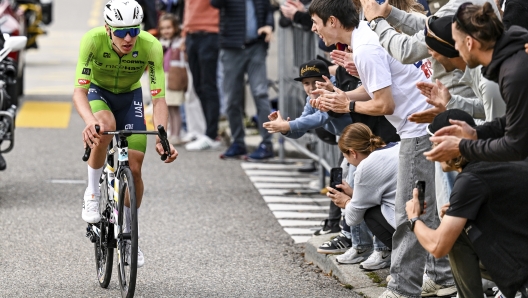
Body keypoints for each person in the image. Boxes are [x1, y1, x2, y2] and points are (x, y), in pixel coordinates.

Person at [308, 0, 456, 297]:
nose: (313, 28)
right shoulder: (365, 34)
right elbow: (379, 87)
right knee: (424, 210)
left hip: (418, 131)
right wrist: (345, 94)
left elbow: (384, 104)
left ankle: (403, 288)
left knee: (409, 214)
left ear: (333, 21)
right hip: (422, 126)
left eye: (316, 22)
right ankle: (441, 276)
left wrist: (346, 103)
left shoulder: (364, 48)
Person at [73, 0, 178, 267]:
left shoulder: (150, 45)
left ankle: (129, 237)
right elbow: (79, 92)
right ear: (108, 29)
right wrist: (89, 121)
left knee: (135, 167)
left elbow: (159, 98)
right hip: (100, 94)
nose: (128, 38)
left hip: (130, 97)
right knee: (104, 124)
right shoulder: (93, 40)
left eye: (133, 30)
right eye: (120, 32)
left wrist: (164, 136)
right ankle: (92, 194)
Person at [407, 109, 528, 298]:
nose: (433, 153)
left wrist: (414, 219)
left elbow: (438, 247)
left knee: (453, 236)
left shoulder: (471, 179)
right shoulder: (498, 156)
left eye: (435, 145)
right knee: (460, 227)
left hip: (522, 273)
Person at [425, 2, 528, 163]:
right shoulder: (511, 61)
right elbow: (513, 119)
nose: (456, 49)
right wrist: (476, 134)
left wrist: (462, 147)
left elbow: (516, 146)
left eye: (456, 42)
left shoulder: (513, 74)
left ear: (469, 42)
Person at [210, 0, 276, 160]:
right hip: (231, 48)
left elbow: (268, 9)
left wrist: (269, 25)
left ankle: (267, 144)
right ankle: (238, 142)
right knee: (232, 98)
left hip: (256, 46)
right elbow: (215, 3)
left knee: (260, 93)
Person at [328, 123, 399, 270]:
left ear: (353, 153)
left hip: (407, 228)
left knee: (369, 213)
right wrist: (355, 193)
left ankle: (395, 252)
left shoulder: (366, 166)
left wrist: (346, 201)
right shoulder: (394, 146)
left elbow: (353, 218)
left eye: (346, 157)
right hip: (420, 216)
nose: (347, 162)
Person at [416, 14, 505, 125]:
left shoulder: (487, 79)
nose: (430, 55)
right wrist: (451, 102)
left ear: (447, 52)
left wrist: (450, 119)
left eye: (431, 50)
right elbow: (486, 106)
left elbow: (497, 131)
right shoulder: (476, 68)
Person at [182, 0, 222, 151]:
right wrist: (185, 33)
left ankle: (212, 135)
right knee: (198, 86)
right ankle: (208, 132)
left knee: (208, 85)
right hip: (192, 35)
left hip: (210, 33)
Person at [159, 13, 185, 145]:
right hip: (165, 78)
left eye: (169, 27)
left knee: (175, 108)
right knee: (168, 108)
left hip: (174, 79)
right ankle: (171, 132)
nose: (166, 31)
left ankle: (177, 134)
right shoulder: (161, 43)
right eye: (163, 28)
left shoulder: (179, 43)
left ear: (175, 28)